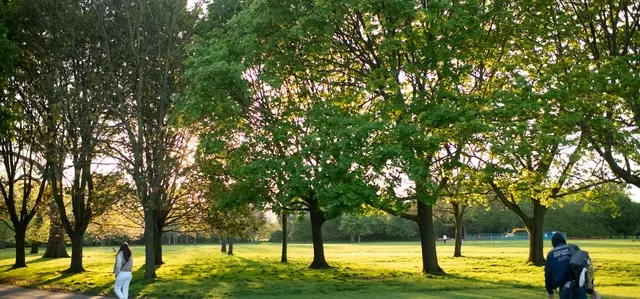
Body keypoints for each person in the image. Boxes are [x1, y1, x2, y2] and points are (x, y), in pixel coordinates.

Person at [544, 233, 586, 299]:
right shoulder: (574, 247)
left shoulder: (551, 254)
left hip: (565, 288)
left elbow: (548, 274)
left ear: (553, 243)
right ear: (564, 240)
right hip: (579, 287)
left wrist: (550, 291)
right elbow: (585, 265)